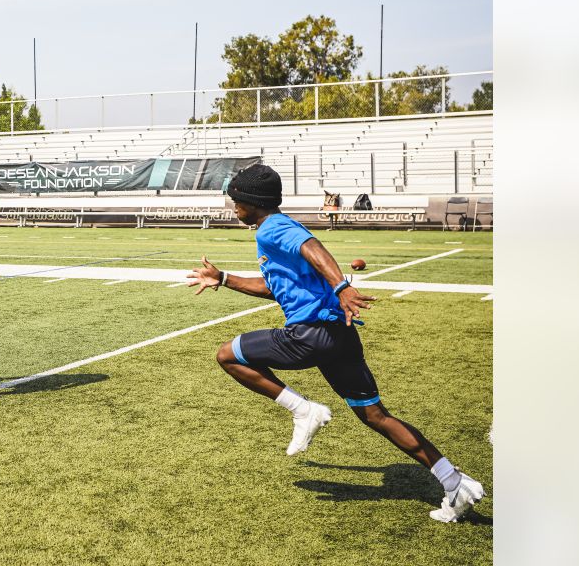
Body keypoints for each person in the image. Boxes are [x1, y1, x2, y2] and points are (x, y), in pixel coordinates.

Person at [188, 164, 485, 523]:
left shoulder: (272, 228)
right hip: (340, 336)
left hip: (310, 334)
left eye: (235, 198)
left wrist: (342, 287)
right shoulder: (276, 228)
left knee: (228, 355)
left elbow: (313, 247)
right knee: (376, 415)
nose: (232, 204)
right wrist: (224, 278)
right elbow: (276, 287)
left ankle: (303, 410)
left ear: (253, 202)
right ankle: (455, 483)